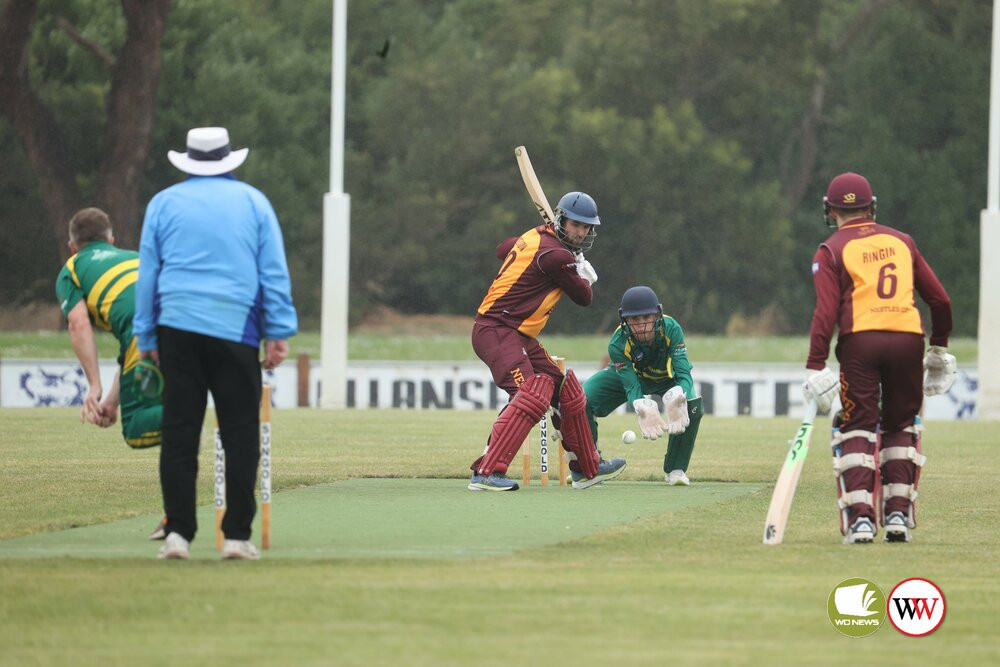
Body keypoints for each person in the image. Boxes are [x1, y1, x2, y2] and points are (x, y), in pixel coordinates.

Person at [134, 127, 297, 560]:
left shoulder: (163, 203)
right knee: (241, 432)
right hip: (236, 329)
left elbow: (148, 274)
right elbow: (273, 272)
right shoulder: (253, 202)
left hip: (177, 327)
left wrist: (146, 334)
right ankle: (237, 537)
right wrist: (278, 331)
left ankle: (178, 534)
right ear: (229, 160)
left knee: (180, 431)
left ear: (188, 161)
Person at [804, 172, 954, 545]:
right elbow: (940, 301)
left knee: (857, 425)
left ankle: (861, 522)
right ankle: (899, 516)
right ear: (871, 206)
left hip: (862, 342)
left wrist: (816, 365)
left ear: (831, 209)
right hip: (908, 338)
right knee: (900, 425)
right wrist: (938, 346)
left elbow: (825, 314)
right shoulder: (902, 241)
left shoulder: (831, 249)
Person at [469, 191, 625, 491]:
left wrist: (552, 254)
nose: (580, 232)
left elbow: (503, 248)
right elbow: (584, 298)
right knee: (532, 392)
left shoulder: (534, 237)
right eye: (575, 225)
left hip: (519, 334)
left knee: (567, 389)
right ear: (561, 219)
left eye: (585, 227)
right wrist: (580, 273)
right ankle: (486, 472)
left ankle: (586, 468)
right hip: (496, 329)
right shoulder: (556, 255)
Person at [55, 207, 166, 539]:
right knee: (165, 421)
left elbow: (77, 323)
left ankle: (186, 412)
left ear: (72, 246)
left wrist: (94, 386)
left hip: (148, 336)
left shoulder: (72, 270)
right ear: (112, 240)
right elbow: (127, 351)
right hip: (183, 325)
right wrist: (112, 402)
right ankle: (175, 514)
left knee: (137, 429)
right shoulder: (134, 258)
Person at [584, 286, 703, 485]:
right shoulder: (617, 342)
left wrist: (679, 394)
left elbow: (683, 372)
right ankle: (588, 465)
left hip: (666, 378)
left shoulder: (671, 328)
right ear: (625, 320)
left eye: (646, 318)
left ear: (657, 315)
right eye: (634, 320)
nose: (641, 325)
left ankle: (675, 470)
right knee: (581, 399)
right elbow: (630, 385)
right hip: (628, 378)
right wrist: (641, 405)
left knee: (692, 404)